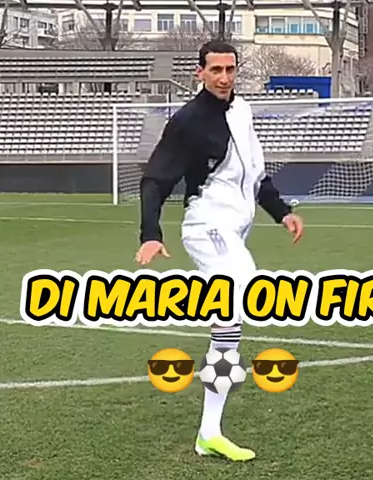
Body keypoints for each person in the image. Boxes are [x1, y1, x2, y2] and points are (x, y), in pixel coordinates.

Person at [135, 40, 304, 461]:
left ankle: (209, 433)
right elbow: (155, 180)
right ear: (200, 73)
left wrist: (281, 212)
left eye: (230, 69)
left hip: (235, 228)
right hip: (207, 225)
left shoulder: (243, 111)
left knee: (230, 324)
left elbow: (255, 176)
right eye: (215, 70)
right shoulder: (188, 121)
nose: (224, 77)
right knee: (245, 291)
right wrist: (150, 234)